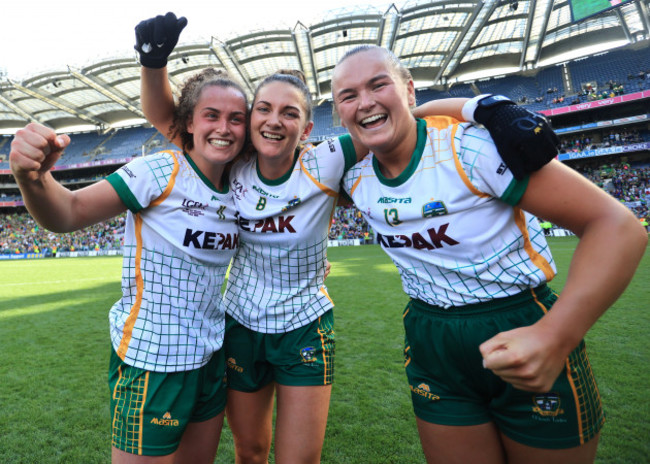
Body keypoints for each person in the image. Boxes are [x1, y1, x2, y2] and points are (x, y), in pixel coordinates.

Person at [135, 13, 562, 463]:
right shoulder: (235, 159)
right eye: (263, 109)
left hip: (304, 323)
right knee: (251, 451)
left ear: (308, 128)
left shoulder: (328, 162)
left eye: (290, 112)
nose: (274, 121)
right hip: (240, 324)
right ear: (251, 117)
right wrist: (154, 64)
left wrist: (487, 107)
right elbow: (172, 120)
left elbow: (397, 116)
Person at [332, 44, 647, 464]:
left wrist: (555, 337)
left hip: (519, 320)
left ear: (409, 91)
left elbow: (619, 227)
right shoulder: (351, 176)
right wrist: (484, 103)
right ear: (338, 112)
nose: (365, 102)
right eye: (348, 95)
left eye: (378, 85)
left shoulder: (472, 147)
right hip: (431, 338)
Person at [9, 64, 249, 463]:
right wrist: (32, 176)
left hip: (210, 357)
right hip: (153, 361)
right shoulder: (157, 171)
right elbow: (67, 213)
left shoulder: (240, 186)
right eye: (212, 115)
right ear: (189, 123)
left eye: (235, 119)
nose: (224, 127)